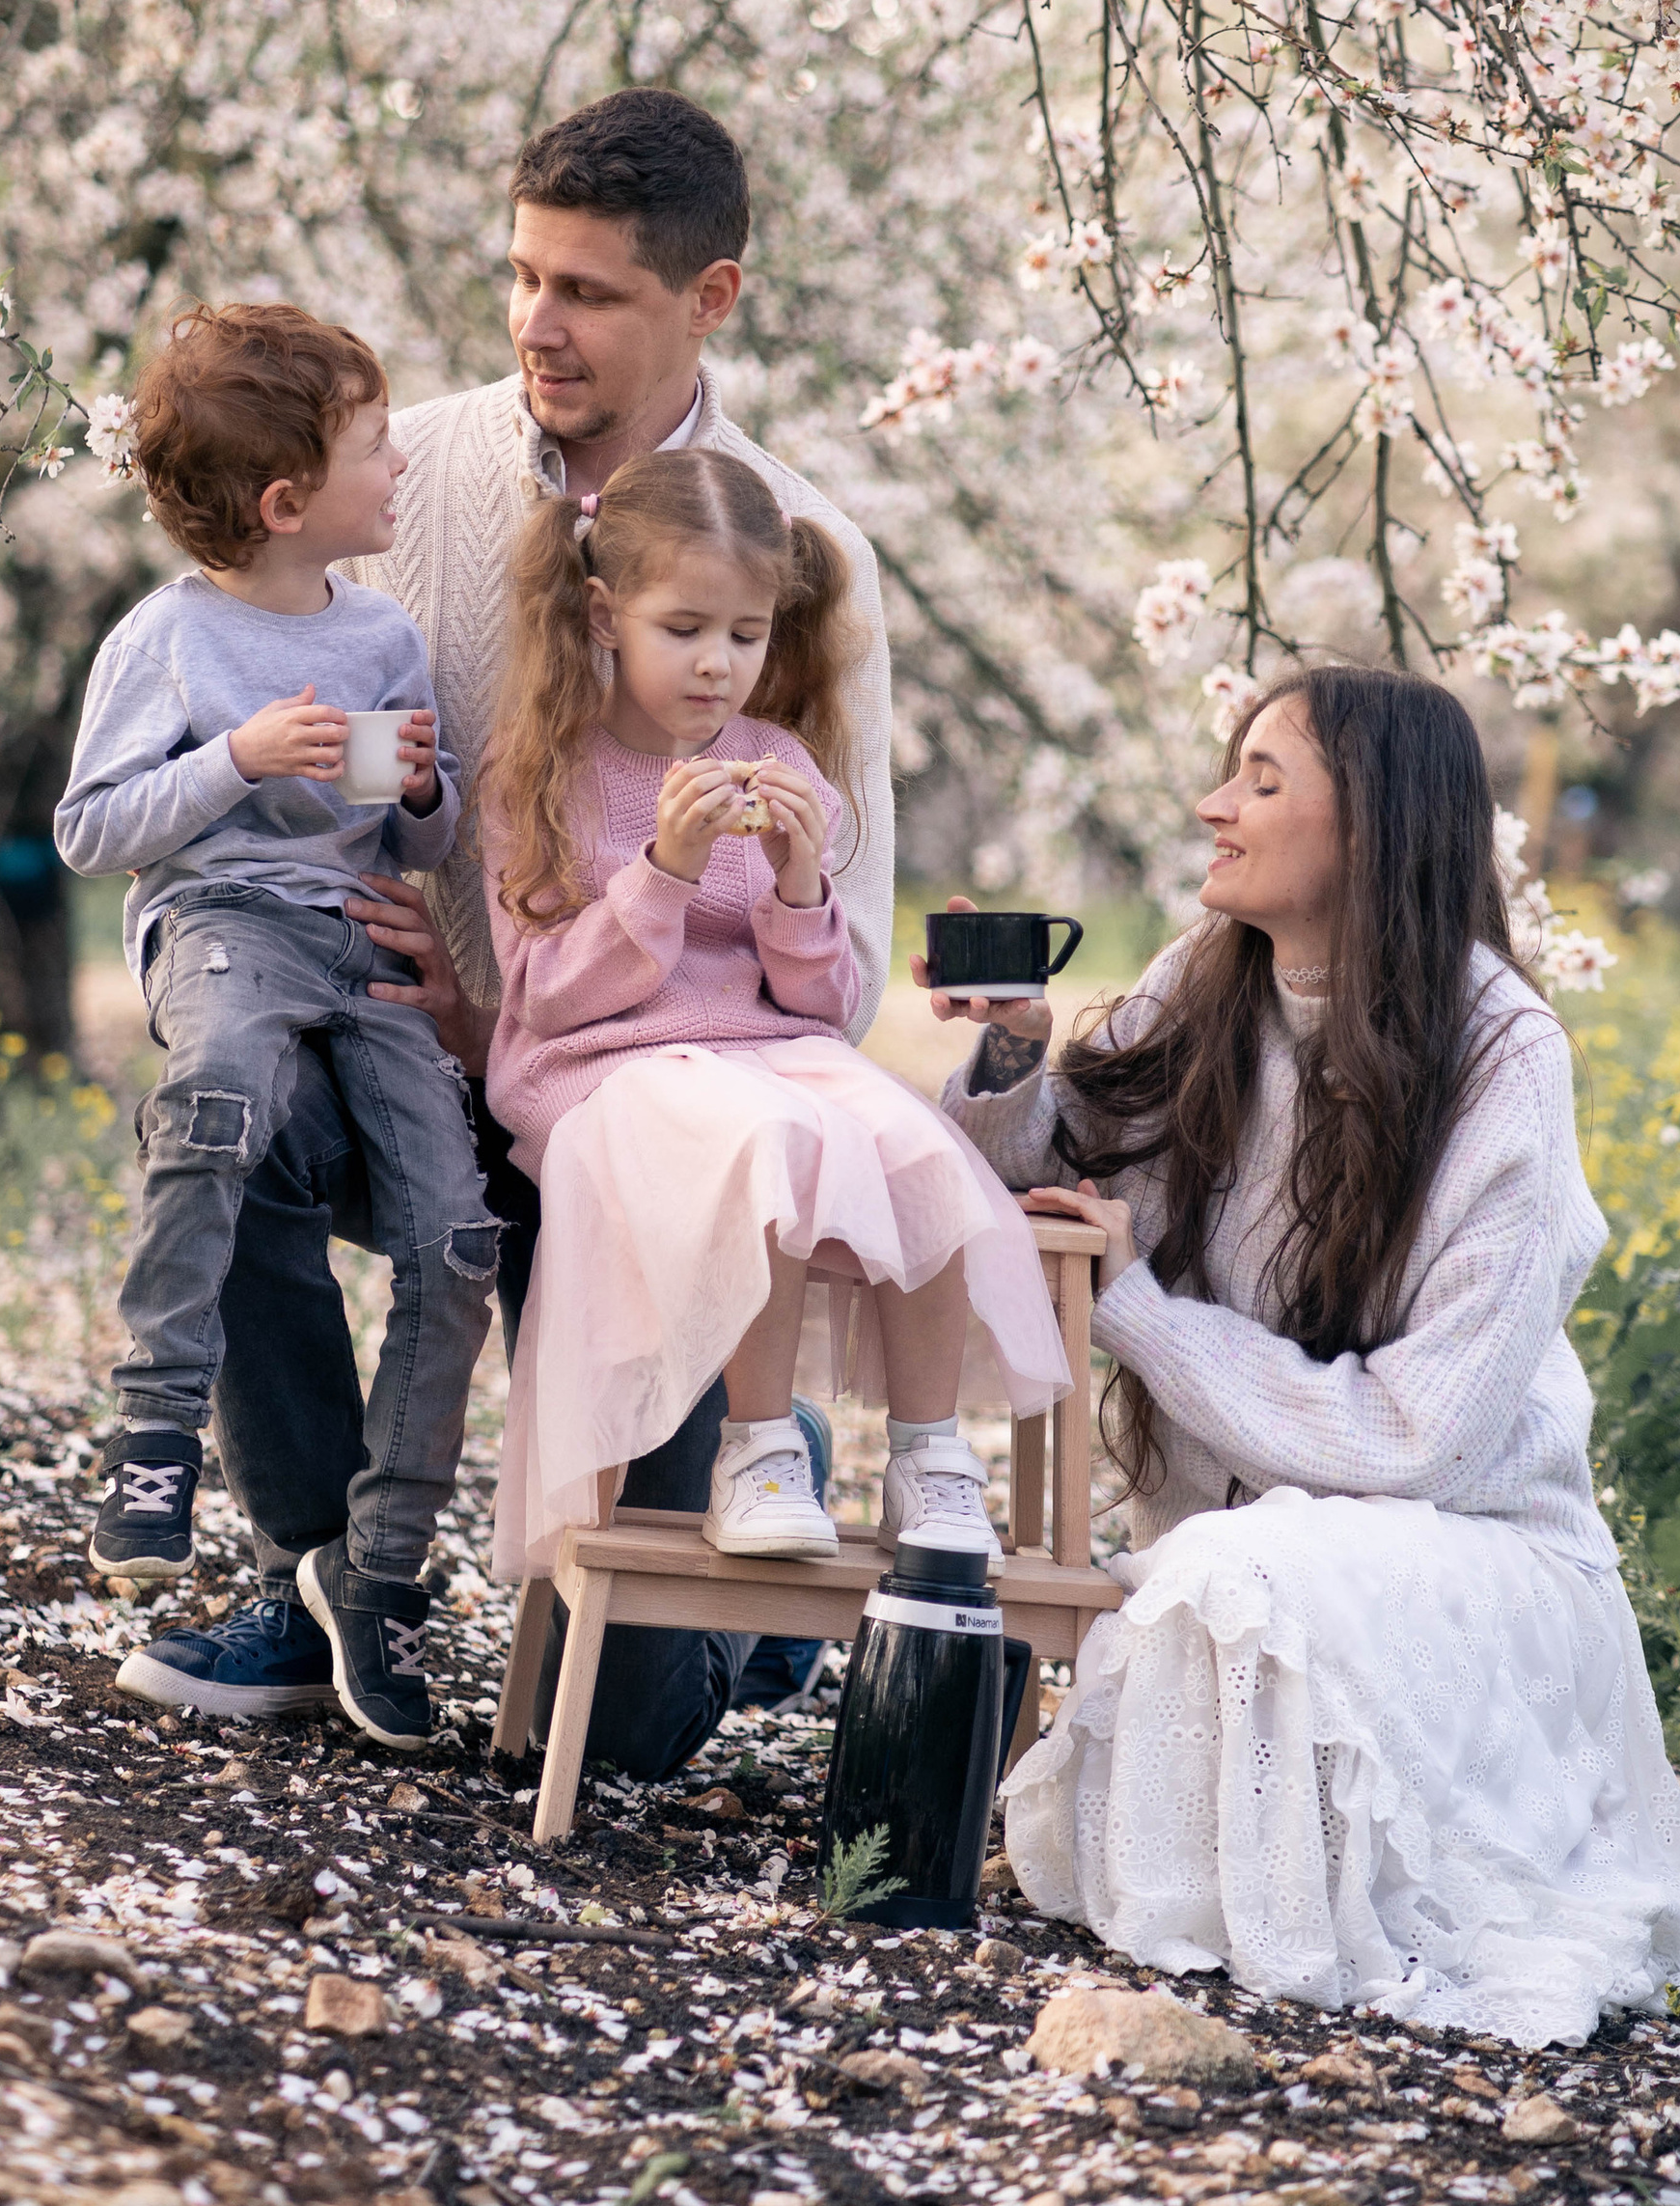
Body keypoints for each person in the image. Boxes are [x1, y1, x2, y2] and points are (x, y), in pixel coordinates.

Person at [119, 89, 895, 1765]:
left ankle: (739, 1594)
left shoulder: (795, 548)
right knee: (220, 1112)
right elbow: (260, 694)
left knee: (615, 1741)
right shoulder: (403, 479)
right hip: (403, 1050)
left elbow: (850, 945)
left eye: (592, 293)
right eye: (523, 278)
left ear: (710, 301)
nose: (539, 324)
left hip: (640, 1118)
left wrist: (544, 1023)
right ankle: (327, 1581)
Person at [926, 663, 1680, 2049]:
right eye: (1232, 770)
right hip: (1267, 1547)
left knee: (1228, 1573)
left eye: (1264, 783)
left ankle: (1266, 1938)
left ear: (1376, 828)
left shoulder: (1503, 1054)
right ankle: (1215, 1928)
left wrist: (1138, 1307)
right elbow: (1038, 1181)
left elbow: (1422, 1444)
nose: (1216, 804)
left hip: (1479, 1559)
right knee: (1224, 1569)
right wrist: (1009, 1061)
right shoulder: (1209, 985)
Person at [485, 449, 1067, 1574]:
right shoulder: (543, 769)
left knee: (917, 1148)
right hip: (610, 1063)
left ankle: (927, 1456)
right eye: (685, 628)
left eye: (745, 637)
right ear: (605, 615)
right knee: (768, 1144)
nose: (718, 665)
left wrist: (802, 886)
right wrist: (665, 867)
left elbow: (822, 1005)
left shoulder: (777, 757)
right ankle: (757, 1451)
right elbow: (547, 999)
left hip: (765, 1048)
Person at [56, 301, 500, 1751]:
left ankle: (372, 1576)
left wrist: (421, 791)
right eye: (378, 449)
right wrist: (237, 761)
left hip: (358, 944)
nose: (404, 471)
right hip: (228, 929)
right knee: (220, 1102)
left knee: (453, 1237)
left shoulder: (379, 633)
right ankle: (157, 1427)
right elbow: (92, 827)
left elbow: (411, 844)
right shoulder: (169, 640)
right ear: (288, 502)